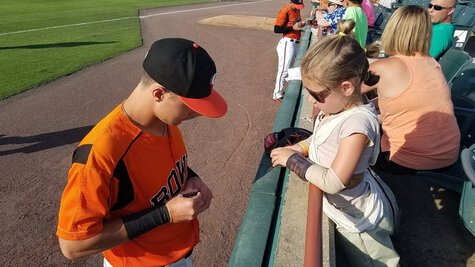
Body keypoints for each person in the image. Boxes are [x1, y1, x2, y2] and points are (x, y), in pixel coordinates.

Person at [56, 38, 228, 266]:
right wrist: (164, 214)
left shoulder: (165, 120)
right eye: (190, 106)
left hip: (179, 255)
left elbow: (160, 166)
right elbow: (73, 245)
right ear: (159, 94)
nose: (197, 114)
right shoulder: (100, 152)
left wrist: (191, 176)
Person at [270, 20, 400, 266]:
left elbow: (333, 181)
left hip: (359, 221)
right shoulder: (337, 108)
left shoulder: (357, 125)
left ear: (347, 87)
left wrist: (293, 160)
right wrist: (299, 147)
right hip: (349, 208)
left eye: (317, 94)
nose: (310, 99)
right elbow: (320, 138)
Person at [362, 5, 460, 175]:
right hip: (448, 155)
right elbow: (406, 99)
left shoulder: (385, 67)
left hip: (408, 161)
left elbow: (345, 91)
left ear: (393, 29)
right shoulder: (431, 62)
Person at [273, 0, 306, 102]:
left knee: (293, 67)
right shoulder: (285, 11)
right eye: (296, 5)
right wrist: (292, 27)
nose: (298, 7)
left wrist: (302, 24)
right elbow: (276, 29)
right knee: (284, 69)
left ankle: (283, 90)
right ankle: (277, 93)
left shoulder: (296, 10)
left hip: (295, 43)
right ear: (291, 2)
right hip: (287, 43)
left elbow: (295, 25)